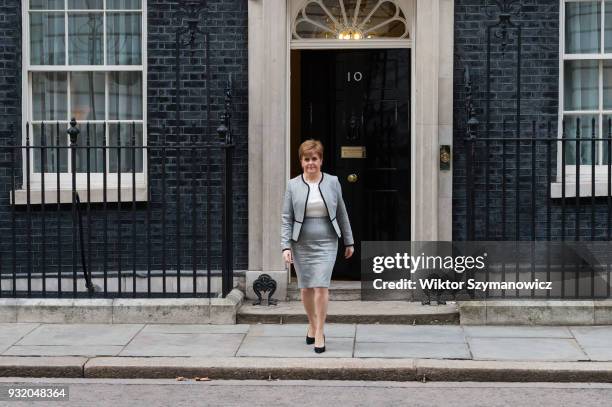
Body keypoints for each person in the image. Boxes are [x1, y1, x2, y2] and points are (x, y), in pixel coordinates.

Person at [281, 139, 354, 354]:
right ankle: (312, 324)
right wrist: (285, 246)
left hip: (327, 240)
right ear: (301, 161)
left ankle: (320, 331)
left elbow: (341, 212)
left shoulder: (333, 182)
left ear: (321, 160)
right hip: (301, 242)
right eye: (306, 159)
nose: (310, 163)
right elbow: (287, 217)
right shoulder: (292, 185)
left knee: (321, 286)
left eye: (314, 159)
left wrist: (349, 240)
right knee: (305, 288)